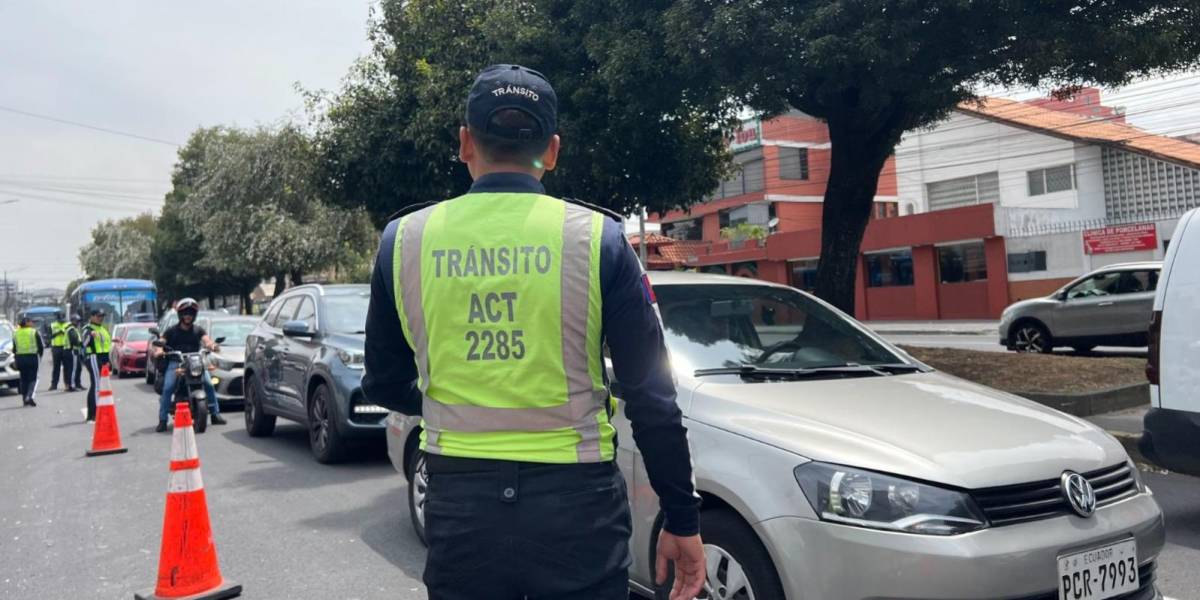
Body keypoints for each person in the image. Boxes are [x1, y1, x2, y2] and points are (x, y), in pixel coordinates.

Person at [363, 64, 705, 600]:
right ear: (552, 150)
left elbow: (383, 383)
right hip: (579, 512)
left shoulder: (403, 241)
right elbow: (652, 398)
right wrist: (682, 519)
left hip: (460, 506)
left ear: (464, 142)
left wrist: (452, 396)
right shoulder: (600, 240)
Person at [151, 298, 225, 432]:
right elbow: (161, 341)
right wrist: (159, 350)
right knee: (168, 388)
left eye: (190, 313)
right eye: (185, 313)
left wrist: (213, 346)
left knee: (208, 384)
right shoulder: (172, 330)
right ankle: (162, 420)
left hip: (195, 361)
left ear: (194, 315)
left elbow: (206, 341)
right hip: (176, 362)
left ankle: (215, 414)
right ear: (180, 315)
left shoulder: (198, 330)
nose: (188, 316)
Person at [81, 309, 112, 422]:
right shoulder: (88, 329)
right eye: (99, 316)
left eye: (102, 316)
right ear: (92, 316)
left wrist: (108, 361)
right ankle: (93, 413)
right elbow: (83, 344)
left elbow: (105, 345)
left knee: (99, 385)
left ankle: (97, 411)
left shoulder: (103, 329)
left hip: (102, 359)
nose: (101, 318)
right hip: (93, 357)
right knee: (97, 385)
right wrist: (90, 335)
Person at [12, 316, 43, 407]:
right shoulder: (34, 332)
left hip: (20, 358)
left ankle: (24, 399)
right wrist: (40, 356)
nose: (32, 323)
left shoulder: (16, 333)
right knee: (33, 378)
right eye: (31, 322)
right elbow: (41, 346)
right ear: (27, 323)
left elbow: (14, 348)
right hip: (32, 358)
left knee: (23, 379)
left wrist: (16, 358)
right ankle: (29, 396)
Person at [48, 311, 75, 392]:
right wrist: (58, 333)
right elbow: (50, 336)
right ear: (57, 318)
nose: (61, 320)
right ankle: (54, 384)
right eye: (60, 318)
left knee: (67, 367)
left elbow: (73, 336)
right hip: (56, 348)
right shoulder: (52, 325)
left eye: (62, 318)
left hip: (66, 347)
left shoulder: (68, 325)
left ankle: (67, 384)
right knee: (56, 367)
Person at [68, 314, 85, 391]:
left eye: (78, 321)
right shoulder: (71, 329)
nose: (78, 323)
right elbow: (74, 340)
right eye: (77, 321)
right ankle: (72, 386)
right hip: (72, 351)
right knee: (74, 369)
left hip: (76, 351)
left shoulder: (75, 329)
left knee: (79, 368)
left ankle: (78, 384)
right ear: (72, 321)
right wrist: (81, 344)